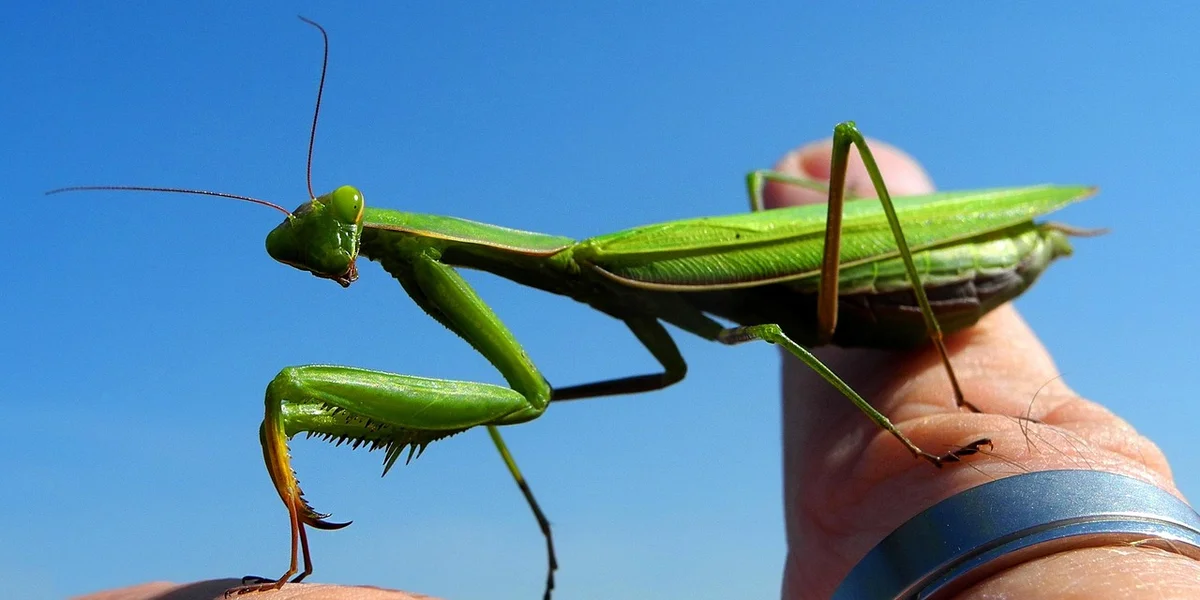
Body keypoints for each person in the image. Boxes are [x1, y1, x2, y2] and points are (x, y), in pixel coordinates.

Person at [81, 139, 1199, 600]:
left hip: (932, 269)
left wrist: (929, 450)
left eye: (343, 237)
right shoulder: (541, 279)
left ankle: (923, 415)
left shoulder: (590, 266)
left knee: (812, 175)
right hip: (849, 300)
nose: (337, 255)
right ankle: (544, 531)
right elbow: (520, 392)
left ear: (372, 233)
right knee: (528, 389)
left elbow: (518, 391)